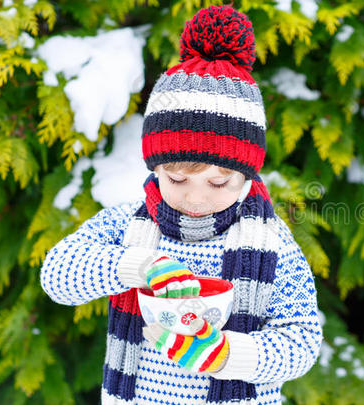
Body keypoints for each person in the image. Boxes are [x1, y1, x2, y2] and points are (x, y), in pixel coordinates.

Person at [39, 4, 323, 405]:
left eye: (219, 182)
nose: (195, 197)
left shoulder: (273, 242)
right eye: (176, 178)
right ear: (155, 168)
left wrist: (226, 355)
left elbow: (302, 341)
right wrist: (138, 265)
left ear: (247, 175)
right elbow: (57, 275)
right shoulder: (128, 225)